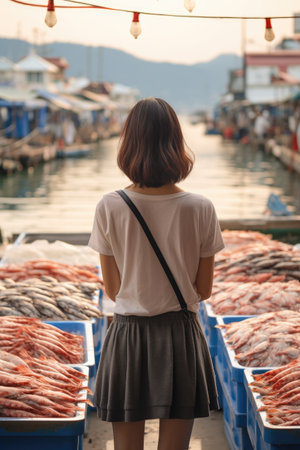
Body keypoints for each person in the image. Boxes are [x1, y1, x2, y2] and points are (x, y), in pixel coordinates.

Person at [88, 97, 225, 450]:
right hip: (179, 335)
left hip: (129, 337)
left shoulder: (110, 205)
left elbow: (114, 290)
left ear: (128, 144)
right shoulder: (200, 207)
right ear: (176, 144)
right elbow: (204, 289)